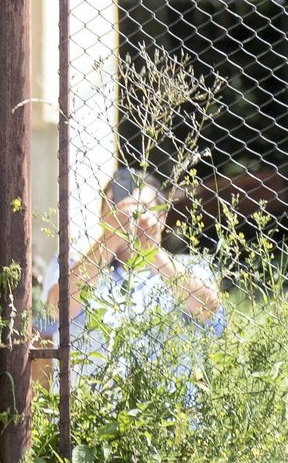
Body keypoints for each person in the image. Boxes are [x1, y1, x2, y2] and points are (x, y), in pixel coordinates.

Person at [34, 167, 225, 392]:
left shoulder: (189, 268)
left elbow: (211, 313)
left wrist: (153, 254)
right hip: (88, 407)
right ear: (103, 217)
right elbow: (53, 315)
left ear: (162, 217)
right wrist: (110, 240)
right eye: (119, 210)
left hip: (171, 409)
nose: (130, 218)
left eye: (142, 209)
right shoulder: (72, 264)